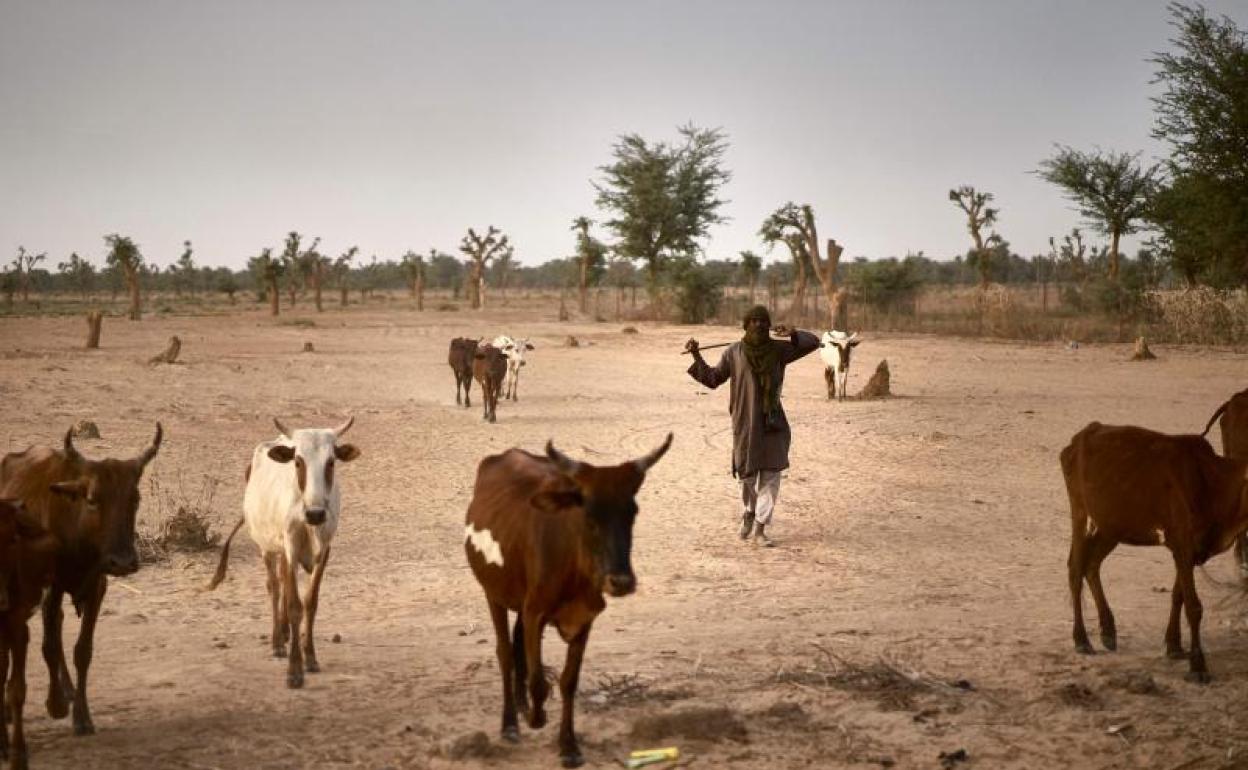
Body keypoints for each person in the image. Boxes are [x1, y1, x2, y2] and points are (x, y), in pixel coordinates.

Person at [685, 305, 820, 546]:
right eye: (753, 321)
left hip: (773, 424)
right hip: (745, 424)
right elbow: (713, 379)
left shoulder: (780, 351)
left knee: (771, 477)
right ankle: (749, 510)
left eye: (762, 321)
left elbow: (813, 343)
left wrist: (793, 333)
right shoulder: (734, 352)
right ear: (745, 325)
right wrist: (696, 355)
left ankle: (760, 529)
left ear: (769, 326)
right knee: (746, 477)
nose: (758, 325)